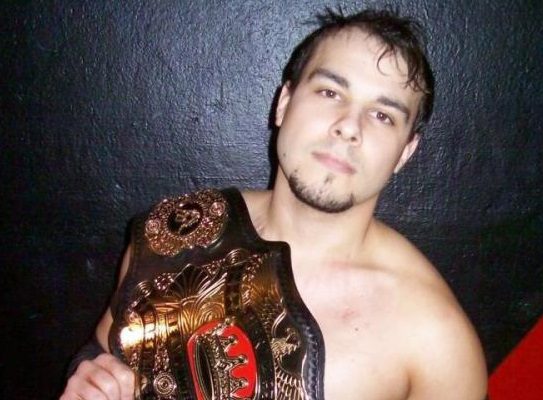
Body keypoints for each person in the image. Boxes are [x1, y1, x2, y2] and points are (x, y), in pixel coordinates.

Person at [61, 8, 487, 400]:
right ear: (284, 102)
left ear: (405, 152)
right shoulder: (177, 230)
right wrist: (91, 382)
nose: (348, 127)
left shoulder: (434, 339)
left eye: (382, 115)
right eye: (330, 92)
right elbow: (103, 354)